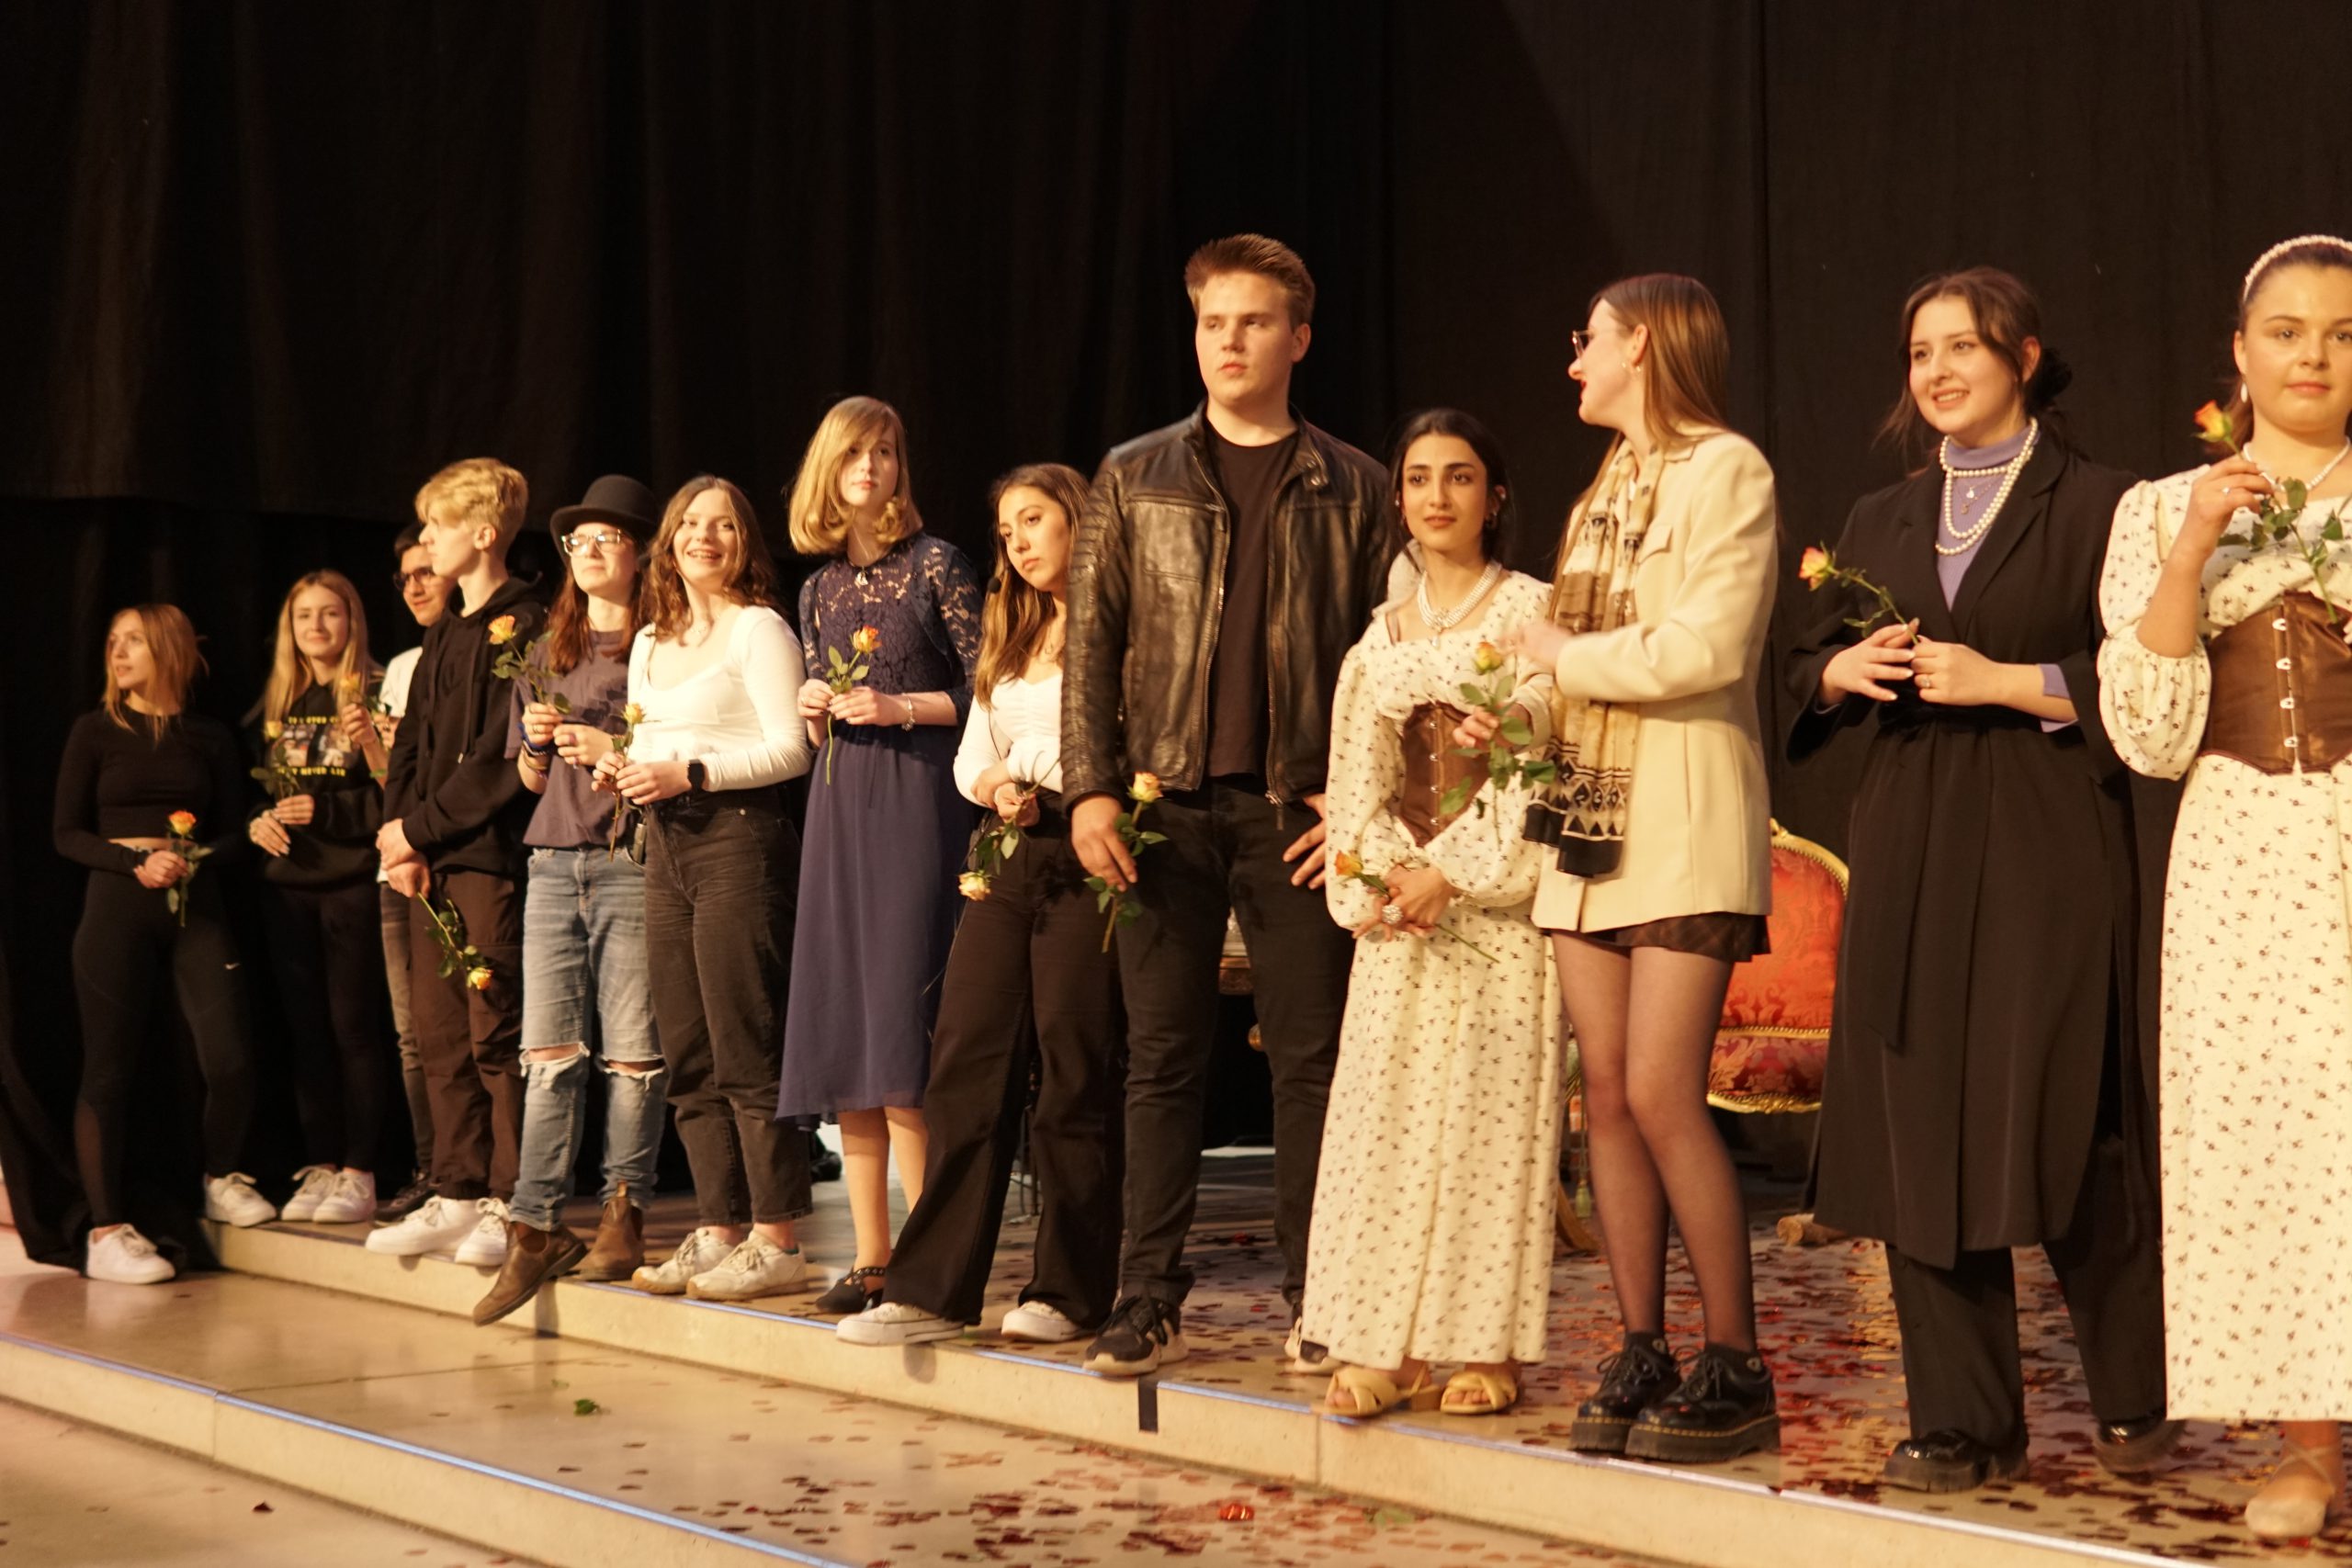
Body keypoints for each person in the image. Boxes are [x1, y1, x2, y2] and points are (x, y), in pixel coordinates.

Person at [1790, 268, 2173, 1493]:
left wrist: (2004, 682)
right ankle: (1962, 1421)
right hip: (1912, 831)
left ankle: (2135, 1387)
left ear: (2024, 356)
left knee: (2065, 1108)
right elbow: (1800, 667)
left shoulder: (2109, 504)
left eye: (1963, 346)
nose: (1939, 371)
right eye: (1921, 352)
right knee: (1919, 1121)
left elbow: (2154, 677)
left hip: (2047, 833)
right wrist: (1840, 669)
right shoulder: (1881, 517)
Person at [1064, 233, 1391, 1376]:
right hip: (1162, 808)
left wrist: (1360, 807)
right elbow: (1091, 644)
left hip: (1298, 812)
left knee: (1311, 1061)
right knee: (1160, 1061)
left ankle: (1321, 1295)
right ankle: (1148, 1295)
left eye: (1253, 322)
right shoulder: (1134, 473)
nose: (1230, 341)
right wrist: (1089, 791)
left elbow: (1390, 661)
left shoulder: (1356, 485)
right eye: (1213, 323)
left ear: (1298, 338)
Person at [2098, 234, 2352, 1542]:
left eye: (2344, 334)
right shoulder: (2161, 507)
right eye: (2288, 330)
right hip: (2243, 853)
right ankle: (2309, 1443)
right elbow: (2148, 732)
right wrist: (2195, 543)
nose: (2315, 355)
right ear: (2240, 352)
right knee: (2280, 1133)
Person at [1510, 274, 1779, 1463]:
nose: (1576, 360)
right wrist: (1516, 706)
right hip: (1587, 821)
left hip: (1678, 818)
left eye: (1592, 339)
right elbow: (1564, 662)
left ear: (1647, 345)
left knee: (1665, 1091)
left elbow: (1704, 647)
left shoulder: (1727, 470)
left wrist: (1560, 657)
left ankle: (1737, 1360)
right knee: (1607, 1096)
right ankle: (1641, 1344)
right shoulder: (1604, 487)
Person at [1300, 410, 1566, 1418]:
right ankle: (1383, 1342)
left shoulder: (1531, 614)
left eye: (1459, 476)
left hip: (1494, 912)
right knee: (1385, 1129)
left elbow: (1541, 763)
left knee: (1485, 1131)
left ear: (1494, 497)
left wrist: (1451, 873)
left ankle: (1479, 1345)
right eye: (1418, 478)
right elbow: (1355, 780)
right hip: (1399, 917)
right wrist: (1380, 879)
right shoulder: (1381, 637)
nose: (1436, 496)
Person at [839, 463, 1124, 1348]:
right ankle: (930, 1288)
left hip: (1088, 848)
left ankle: (1071, 1290)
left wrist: (1042, 777)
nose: (1019, 543)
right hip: (1009, 850)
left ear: (1078, 518)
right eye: (1007, 531)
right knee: (965, 1063)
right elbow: (973, 752)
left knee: (1073, 1070)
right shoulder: (1013, 631)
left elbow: (1132, 744)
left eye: (1033, 520)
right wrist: (997, 783)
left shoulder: (1123, 626)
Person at [594, 476, 819, 1302]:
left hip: (739, 841)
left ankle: (777, 1236)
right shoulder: (651, 638)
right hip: (666, 844)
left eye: (723, 524)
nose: (704, 536)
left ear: (744, 541)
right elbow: (650, 738)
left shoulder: (759, 629)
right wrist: (624, 766)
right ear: (670, 539)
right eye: (690, 522)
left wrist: (690, 771)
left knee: (745, 1042)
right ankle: (721, 1225)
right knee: (688, 1049)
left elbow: (792, 749)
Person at [783, 396, 982, 1315]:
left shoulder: (936, 565)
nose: (871, 467)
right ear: (828, 470)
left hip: (916, 799)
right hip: (838, 809)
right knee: (847, 1029)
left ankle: (929, 1258)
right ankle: (871, 1257)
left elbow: (988, 689)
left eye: (886, 452)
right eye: (854, 453)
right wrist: (811, 706)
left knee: (903, 1030)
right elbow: (813, 715)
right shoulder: (818, 588)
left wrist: (900, 707)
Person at [472, 476, 664, 1325]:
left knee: (632, 1053)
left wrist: (608, 741)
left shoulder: (663, 646)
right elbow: (527, 776)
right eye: (574, 541)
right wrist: (536, 747)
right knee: (548, 1053)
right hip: (553, 860)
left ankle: (624, 1212)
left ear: (639, 552)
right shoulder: (547, 648)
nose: (585, 552)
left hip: (629, 858)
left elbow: (677, 745)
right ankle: (535, 1224)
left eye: (603, 538)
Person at [56, 604, 272, 1282]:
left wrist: (194, 855)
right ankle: (106, 1231)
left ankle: (220, 1175)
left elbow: (236, 832)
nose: (117, 653)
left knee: (230, 1056)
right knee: (108, 1070)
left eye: (134, 642)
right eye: (113, 642)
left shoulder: (208, 736)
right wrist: (134, 862)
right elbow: (66, 833)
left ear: (170, 649)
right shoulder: (95, 730)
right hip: (117, 904)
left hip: (193, 899)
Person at [369, 458, 546, 1268]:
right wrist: (397, 837)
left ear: (482, 533)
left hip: (486, 860)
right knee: (439, 1033)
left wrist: (420, 829)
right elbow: (410, 743)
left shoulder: (524, 623)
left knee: (492, 1030)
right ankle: (458, 1185)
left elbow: (498, 761)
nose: (427, 540)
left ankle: (510, 1197)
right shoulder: (444, 629)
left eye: (438, 526)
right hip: (427, 858)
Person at [246, 570, 392, 1227]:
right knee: (305, 1031)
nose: (316, 626)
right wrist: (257, 820)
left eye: (329, 612)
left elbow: (398, 791)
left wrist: (329, 811)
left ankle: (360, 1169)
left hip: (351, 880)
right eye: (303, 614)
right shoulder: (278, 700)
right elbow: (247, 791)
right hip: (288, 886)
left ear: (351, 620)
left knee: (352, 1025)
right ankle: (322, 1161)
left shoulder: (377, 693)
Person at [375, 525, 456, 1221]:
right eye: (404, 578)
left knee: (467, 1026)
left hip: (455, 857)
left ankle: (472, 1175)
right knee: (413, 1032)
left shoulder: (473, 646)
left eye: (426, 570)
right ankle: (432, 1167)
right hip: (398, 865)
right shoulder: (403, 664)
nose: (415, 586)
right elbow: (393, 775)